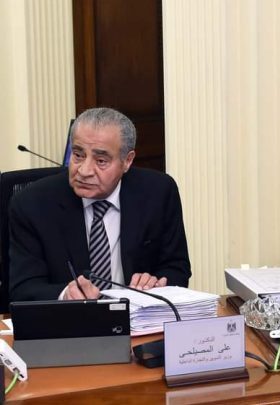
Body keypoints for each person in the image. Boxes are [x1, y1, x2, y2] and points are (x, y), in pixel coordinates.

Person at [9, 107, 191, 301]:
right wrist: (64, 295)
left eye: (101, 160)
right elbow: (22, 287)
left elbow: (176, 268)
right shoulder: (32, 203)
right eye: (78, 155)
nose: (84, 171)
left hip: (137, 316)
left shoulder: (158, 192)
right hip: (68, 318)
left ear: (127, 161)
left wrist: (155, 284)